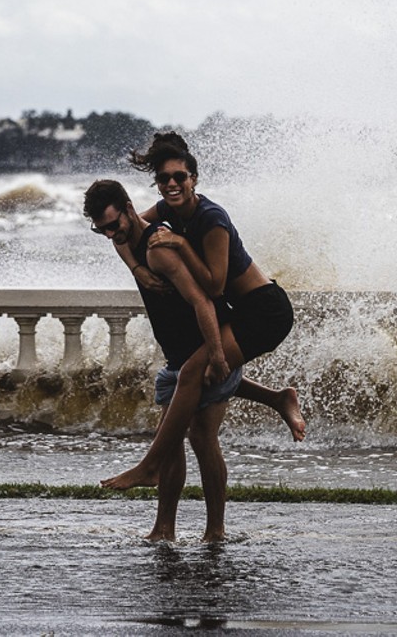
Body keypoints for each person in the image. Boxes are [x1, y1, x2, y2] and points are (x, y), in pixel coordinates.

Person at [99, 132, 301, 493]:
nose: (172, 184)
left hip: (266, 311)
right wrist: (138, 269)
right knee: (203, 372)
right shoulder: (165, 210)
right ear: (157, 184)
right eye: (164, 179)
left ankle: (150, 465)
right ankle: (276, 397)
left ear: (194, 178)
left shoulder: (212, 220)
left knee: (194, 371)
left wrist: (178, 242)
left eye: (180, 177)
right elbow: (126, 232)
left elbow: (214, 286)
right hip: (240, 311)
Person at [84, 179, 239, 542]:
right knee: (169, 441)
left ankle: (215, 530)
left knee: (202, 438)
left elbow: (203, 301)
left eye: (113, 225)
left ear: (128, 208)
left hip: (205, 347)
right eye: (100, 229)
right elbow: (124, 242)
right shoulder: (128, 240)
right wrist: (135, 270)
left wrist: (217, 354)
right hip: (175, 358)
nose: (110, 235)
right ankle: (163, 530)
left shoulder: (159, 249)